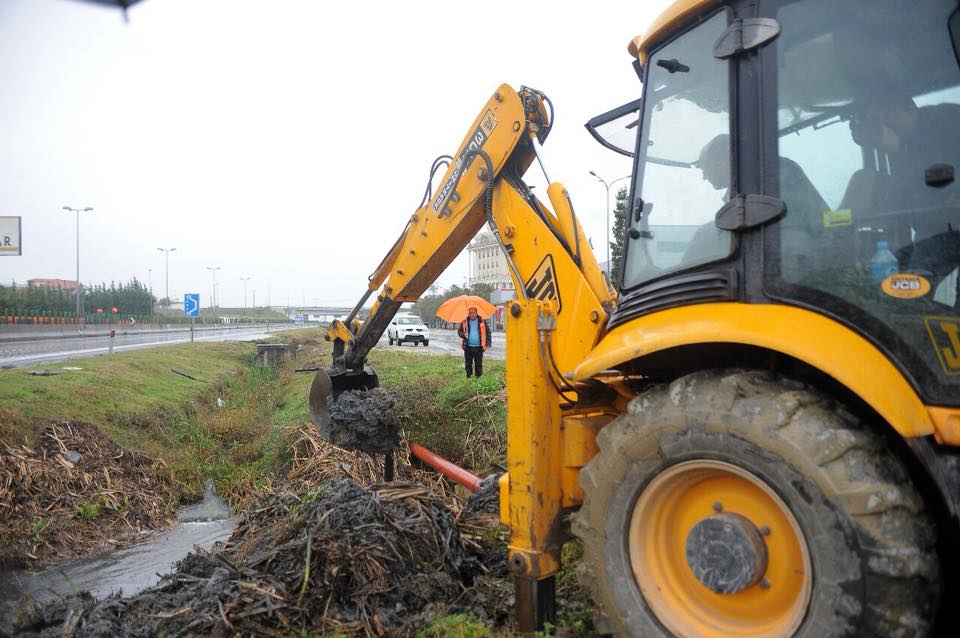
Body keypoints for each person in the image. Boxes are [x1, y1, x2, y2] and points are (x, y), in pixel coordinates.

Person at [457, 306, 491, 378]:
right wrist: (463, 334)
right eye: (470, 313)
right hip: (468, 347)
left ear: (476, 313)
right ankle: (469, 377)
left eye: (473, 313)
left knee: (478, 364)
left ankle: (478, 378)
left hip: (479, 347)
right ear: (468, 313)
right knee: (468, 364)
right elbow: (459, 332)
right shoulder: (465, 321)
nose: (472, 314)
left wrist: (488, 343)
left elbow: (488, 332)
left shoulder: (482, 321)